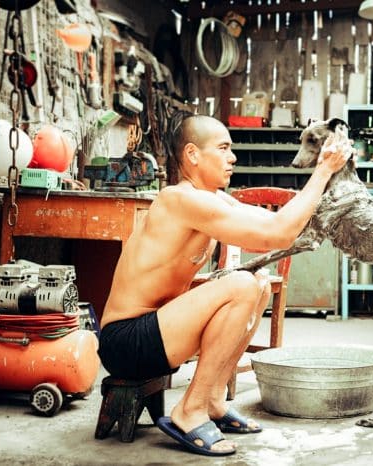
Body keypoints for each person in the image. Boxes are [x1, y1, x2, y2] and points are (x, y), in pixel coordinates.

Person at [98, 112, 352, 457]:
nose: (232, 157)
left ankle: (213, 400)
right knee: (242, 285)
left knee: (259, 283)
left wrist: (333, 186)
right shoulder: (179, 199)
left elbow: (279, 224)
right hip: (125, 342)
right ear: (192, 154)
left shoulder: (212, 199)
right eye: (223, 148)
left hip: (158, 333)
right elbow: (276, 235)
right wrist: (322, 171)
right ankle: (190, 410)